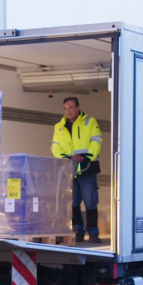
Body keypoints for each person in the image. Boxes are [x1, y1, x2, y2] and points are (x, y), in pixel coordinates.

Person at [50, 97, 102, 244]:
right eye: (66, 109)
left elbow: (96, 141)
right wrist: (64, 158)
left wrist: (89, 157)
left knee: (91, 203)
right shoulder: (59, 126)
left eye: (71, 108)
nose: (69, 111)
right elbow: (55, 146)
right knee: (73, 204)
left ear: (78, 107)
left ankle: (93, 233)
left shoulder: (90, 122)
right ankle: (78, 231)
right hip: (69, 169)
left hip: (87, 168)